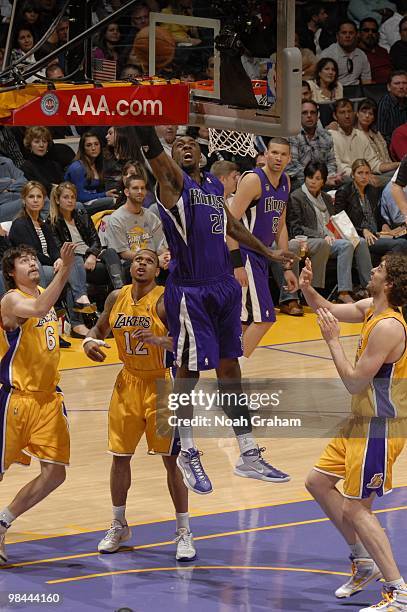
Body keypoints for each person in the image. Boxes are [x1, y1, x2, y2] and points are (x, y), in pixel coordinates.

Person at [132, 127, 297, 494]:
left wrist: (268, 252)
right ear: (171, 159)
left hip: (222, 286)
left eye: (192, 143)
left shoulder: (211, 185)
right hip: (191, 290)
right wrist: (139, 118)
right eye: (179, 146)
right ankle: (187, 448)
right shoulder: (172, 186)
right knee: (188, 369)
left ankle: (248, 452)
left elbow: (233, 224)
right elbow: (154, 151)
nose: (186, 147)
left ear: (203, 154)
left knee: (229, 368)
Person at [300, 254, 407, 611]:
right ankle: (364, 562)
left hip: (379, 427)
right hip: (358, 422)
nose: (372, 270)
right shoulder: (368, 308)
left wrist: (332, 341)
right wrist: (306, 288)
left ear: (389, 283)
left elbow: (353, 382)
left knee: (358, 508)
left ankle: (398, 592)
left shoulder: (388, 326)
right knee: (316, 482)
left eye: (379, 269)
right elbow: (326, 307)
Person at [82, 249, 195, 561]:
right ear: (130, 266)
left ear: (157, 271)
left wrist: (162, 341)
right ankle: (119, 524)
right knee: (119, 457)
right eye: (138, 259)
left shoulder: (165, 299)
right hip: (127, 383)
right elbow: (99, 329)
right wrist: (90, 342)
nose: (142, 263)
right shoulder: (116, 297)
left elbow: (191, 341)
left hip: (162, 383)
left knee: (172, 461)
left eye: (149, 260)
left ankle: (184, 530)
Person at [0, 241, 77, 565]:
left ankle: (3, 522)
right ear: (10, 272)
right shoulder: (12, 299)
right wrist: (66, 271)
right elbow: (40, 310)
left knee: (55, 473)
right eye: (24, 261)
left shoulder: (43, 290)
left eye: (33, 258)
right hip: (15, 399)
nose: (32, 263)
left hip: (48, 399)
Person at [228, 137, 301, 336]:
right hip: (244, 253)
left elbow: (280, 224)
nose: (278, 158)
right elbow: (230, 224)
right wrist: (237, 264)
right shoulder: (253, 180)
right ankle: (234, 364)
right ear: (266, 154)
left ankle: (233, 364)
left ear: (289, 158)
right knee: (262, 317)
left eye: (283, 154)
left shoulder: (285, 181)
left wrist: (287, 268)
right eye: (274, 153)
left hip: (261, 256)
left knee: (246, 318)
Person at [9, 181, 95, 339]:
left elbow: (54, 249)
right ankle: (77, 309)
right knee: (67, 273)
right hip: (33, 270)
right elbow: (30, 252)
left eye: (39, 197)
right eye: (31, 197)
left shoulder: (43, 224)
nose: (35, 200)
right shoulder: (19, 224)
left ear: (44, 200)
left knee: (72, 262)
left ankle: (76, 322)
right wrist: (55, 262)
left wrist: (59, 259)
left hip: (49, 266)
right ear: (24, 200)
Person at [288, 161, 372, 304]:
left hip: (332, 238)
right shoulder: (297, 197)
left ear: (323, 181)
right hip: (311, 240)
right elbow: (296, 228)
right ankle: (344, 292)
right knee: (346, 246)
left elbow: (334, 221)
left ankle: (370, 288)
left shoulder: (326, 198)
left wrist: (347, 232)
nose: (313, 182)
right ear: (305, 178)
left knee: (360, 242)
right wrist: (322, 235)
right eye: (310, 177)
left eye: (318, 178)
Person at [104, 174, 169, 281]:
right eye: (135, 188)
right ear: (126, 192)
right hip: (132, 264)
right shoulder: (116, 218)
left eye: (142, 188)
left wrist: (166, 257)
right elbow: (124, 253)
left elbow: (160, 246)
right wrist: (154, 260)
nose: (140, 191)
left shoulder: (151, 217)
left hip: (154, 262)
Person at [335, 159, 407, 257]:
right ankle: (390, 270)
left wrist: (384, 226)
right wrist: (362, 230)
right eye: (360, 173)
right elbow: (340, 221)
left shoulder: (372, 190)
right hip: (360, 236)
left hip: (376, 233)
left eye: (367, 173)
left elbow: (378, 215)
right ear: (353, 174)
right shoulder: (344, 192)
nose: (364, 176)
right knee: (400, 243)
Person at [329, 98, 399, 178]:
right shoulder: (330, 136)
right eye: (342, 112)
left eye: (349, 112)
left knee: (397, 175)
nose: (347, 116)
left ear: (354, 113)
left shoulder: (361, 135)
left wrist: (398, 164)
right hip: (347, 178)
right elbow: (337, 166)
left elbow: (374, 164)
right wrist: (362, 176)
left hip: (367, 176)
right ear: (335, 115)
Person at [286, 99, 342, 190]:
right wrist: (317, 178)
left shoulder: (326, 136)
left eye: (312, 113)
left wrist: (330, 176)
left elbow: (331, 163)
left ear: (317, 116)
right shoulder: (292, 136)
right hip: (300, 181)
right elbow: (293, 167)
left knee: (346, 182)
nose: (309, 116)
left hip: (323, 179)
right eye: (304, 113)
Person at [65, 131, 117, 214]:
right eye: (89, 145)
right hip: (78, 204)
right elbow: (79, 196)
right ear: (83, 148)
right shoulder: (77, 167)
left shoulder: (99, 164)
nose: (93, 148)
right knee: (113, 201)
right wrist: (104, 195)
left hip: (94, 201)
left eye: (96, 144)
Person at [319, 20, 372, 86]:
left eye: (351, 33)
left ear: (356, 35)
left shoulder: (361, 55)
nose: (347, 36)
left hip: (356, 92)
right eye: (344, 33)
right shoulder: (327, 55)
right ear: (337, 36)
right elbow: (323, 84)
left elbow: (366, 81)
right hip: (335, 91)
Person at [358, 17, 392, 84]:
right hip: (372, 90)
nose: (370, 33)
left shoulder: (383, 51)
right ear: (359, 33)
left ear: (378, 34)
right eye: (366, 30)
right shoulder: (356, 53)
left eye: (374, 31)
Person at [377, 71, 407, 145]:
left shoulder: (405, 100)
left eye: (404, 83)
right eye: (397, 83)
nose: (401, 87)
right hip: (393, 145)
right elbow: (382, 135)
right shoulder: (385, 103)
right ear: (389, 87)